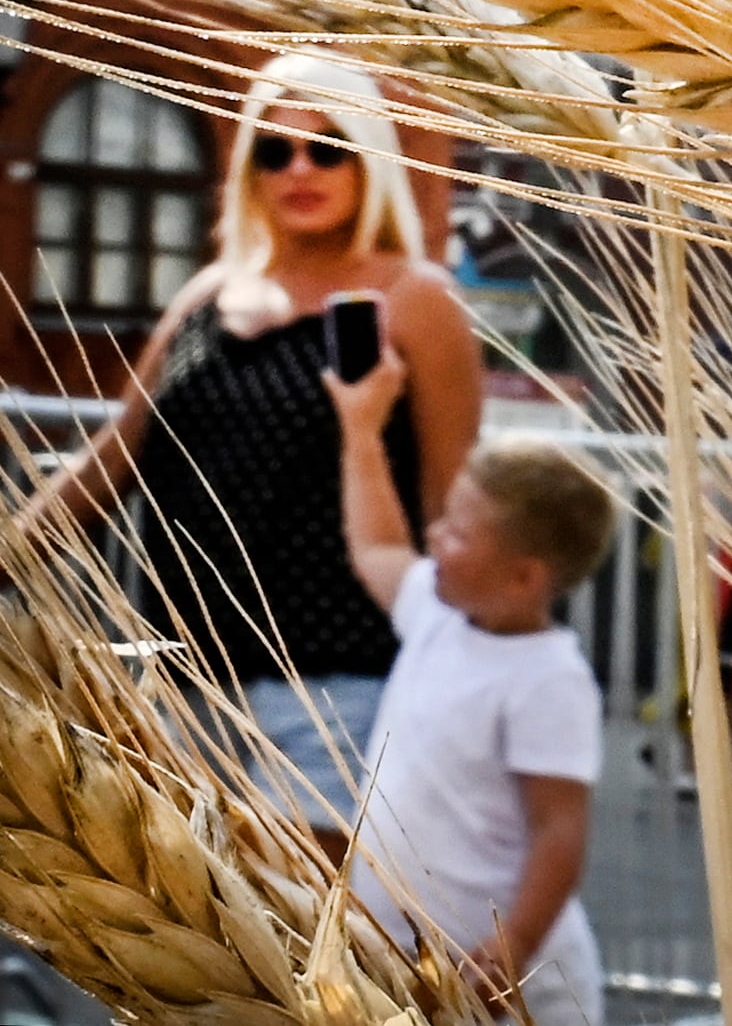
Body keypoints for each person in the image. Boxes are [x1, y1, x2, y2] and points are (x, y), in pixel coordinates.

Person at [7, 55, 483, 839]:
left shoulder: (415, 299)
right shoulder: (207, 297)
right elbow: (107, 464)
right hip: (186, 677)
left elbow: (449, 502)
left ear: (371, 161)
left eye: (329, 147)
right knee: (199, 942)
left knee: (323, 940)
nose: (301, 167)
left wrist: (471, 671)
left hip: (340, 678)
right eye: (275, 149)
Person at [327, 351, 613, 1025]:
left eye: (458, 530)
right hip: (410, 965)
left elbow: (559, 827)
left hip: (512, 983)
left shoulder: (550, 679)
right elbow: (376, 547)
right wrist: (361, 432)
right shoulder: (434, 608)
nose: (435, 535)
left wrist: (515, 943)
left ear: (523, 577)